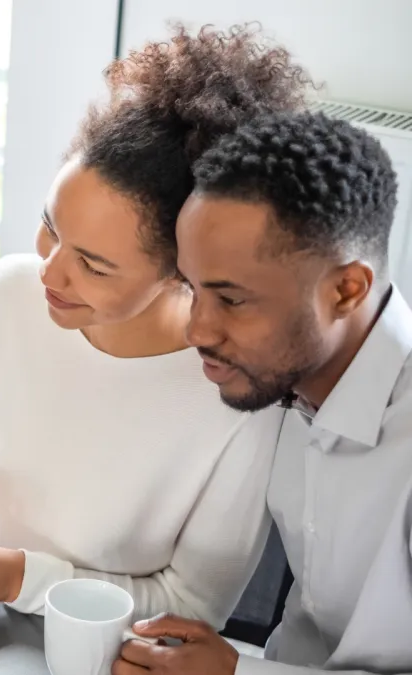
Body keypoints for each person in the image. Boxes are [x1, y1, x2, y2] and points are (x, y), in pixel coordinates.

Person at [0, 24, 311, 625]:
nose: (49, 272)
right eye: (51, 227)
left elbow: (195, 609)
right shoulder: (6, 295)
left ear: (185, 272)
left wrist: (15, 577)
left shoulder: (237, 390)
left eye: (93, 265)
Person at [114, 113, 412, 674]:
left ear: (346, 290)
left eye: (231, 300)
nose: (197, 331)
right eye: (192, 288)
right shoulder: (282, 381)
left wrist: (236, 673)